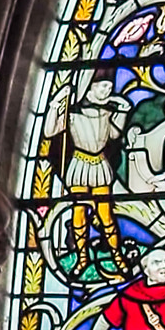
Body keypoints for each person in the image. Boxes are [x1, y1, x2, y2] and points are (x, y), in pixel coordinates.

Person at [46, 75, 129, 274]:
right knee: (79, 214)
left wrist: (124, 109)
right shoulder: (73, 113)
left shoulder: (107, 112)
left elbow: (115, 135)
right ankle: (82, 259)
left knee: (106, 215)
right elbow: (49, 132)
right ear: (90, 87)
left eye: (109, 87)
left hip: (100, 165)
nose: (107, 91)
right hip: (80, 165)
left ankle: (118, 257)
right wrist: (55, 104)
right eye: (103, 86)